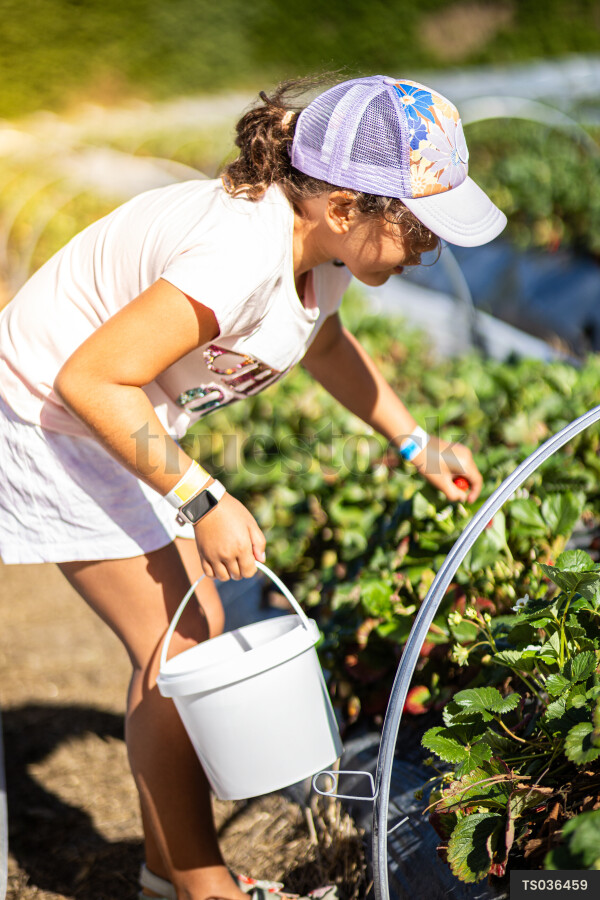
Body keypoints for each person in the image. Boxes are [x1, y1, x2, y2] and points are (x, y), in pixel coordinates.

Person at [0, 74, 505, 900]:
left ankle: (174, 870)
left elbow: (327, 345)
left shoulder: (321, 250)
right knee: (179, 649)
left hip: (115, 411)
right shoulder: (238, 252)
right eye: (421, 230)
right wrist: (203, 496)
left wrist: (415, 441)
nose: (428, 252)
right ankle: (197, 887)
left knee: (183, 638)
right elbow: (91, 380)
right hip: (45, 412)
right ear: (346, 207)